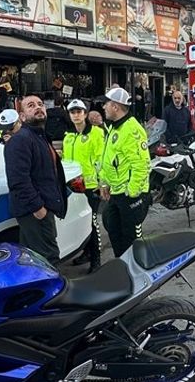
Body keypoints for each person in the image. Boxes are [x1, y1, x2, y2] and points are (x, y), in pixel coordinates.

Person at [4, 95, 68, 263]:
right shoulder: (20, 140)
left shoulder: (40, 137)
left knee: (35, 261)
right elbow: (18, 180)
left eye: (40, 104)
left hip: (42, 208)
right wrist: (38, 209)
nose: (38, 107)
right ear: (22, 117)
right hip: (34, 211)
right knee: (48, 259)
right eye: (31, 105)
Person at [99, 86, 151, 258]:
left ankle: (137, 277)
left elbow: (142, 164)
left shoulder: (132, 130)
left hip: (129, 195)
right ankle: (123, 270)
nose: (103, 107)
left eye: (106, 104)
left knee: (132, 242)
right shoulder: (114, 127)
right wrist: (105, 182)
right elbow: (109, 160)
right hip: (116, 192)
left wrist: (133, 193)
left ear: (115, 106)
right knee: (114, 231)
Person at [63, 98, 105, 272]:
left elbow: (101, 160)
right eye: (73, 112)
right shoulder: (69, 136)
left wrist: (102, 183)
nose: (76, 115)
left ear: (85, 114)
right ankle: (86, 252)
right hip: (74, 186)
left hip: (91, 185)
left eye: (79, 111)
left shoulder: (96, 133)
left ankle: (96, 259)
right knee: (79, 222)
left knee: (92, 224)